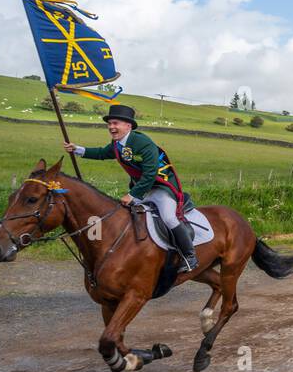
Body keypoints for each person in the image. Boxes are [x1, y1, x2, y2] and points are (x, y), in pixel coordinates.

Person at [63, 103, 197, 272]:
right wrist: (78, 149)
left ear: (128, 126)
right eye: (109, 123)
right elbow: (102, 153)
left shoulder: (142, 143)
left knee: (169, 218)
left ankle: (190, 256)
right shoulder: (117, 144)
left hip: (162, 187)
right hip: (143, 188)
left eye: (115, 123)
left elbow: (150, 174)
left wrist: (132, 195)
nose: (111, 127)